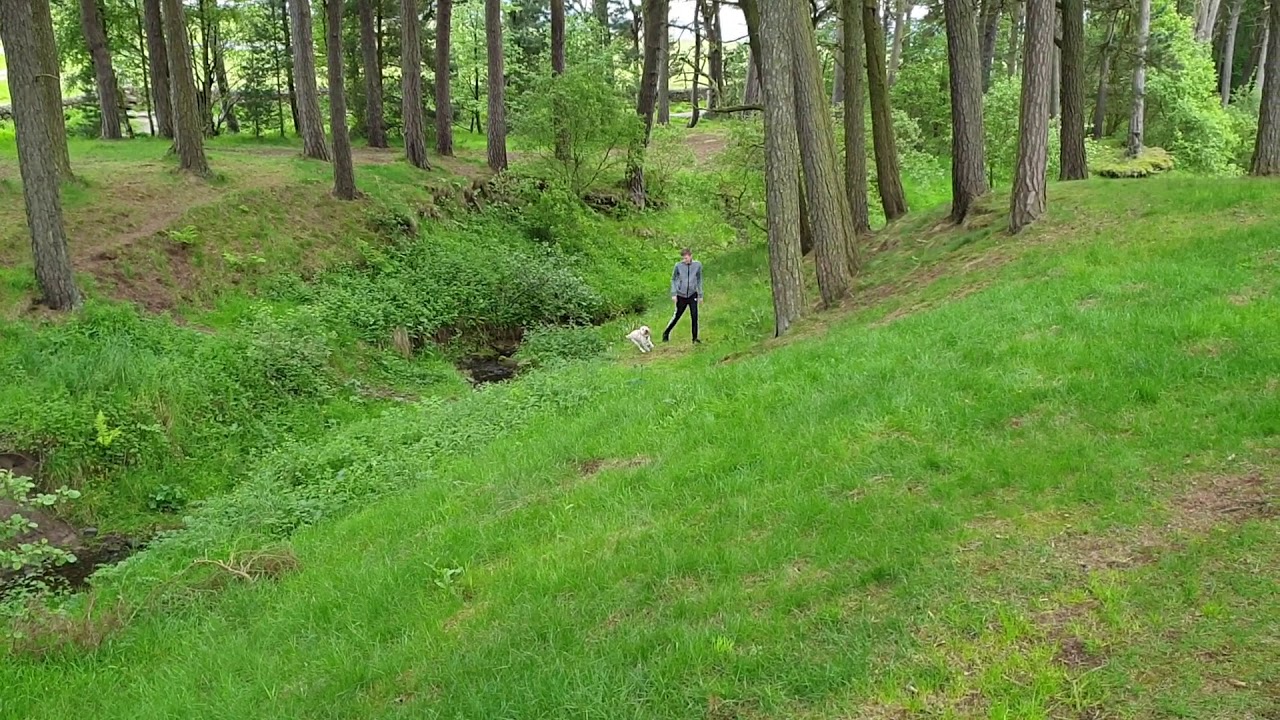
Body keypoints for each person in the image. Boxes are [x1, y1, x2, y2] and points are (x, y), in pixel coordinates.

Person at [663, 248, 703, 344]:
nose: (685, 260)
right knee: (677, 315)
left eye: (686, 258)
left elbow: (699, 279)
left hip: (693, 294)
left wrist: (700, 294)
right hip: (681, 295)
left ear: (690, 256)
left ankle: (694, 338)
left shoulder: (697, 265)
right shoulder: (678, 266)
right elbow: (673, 279)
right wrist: (674, 293)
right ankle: (666, 333)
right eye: (683, 259)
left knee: (694, 315)